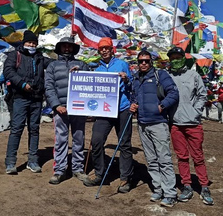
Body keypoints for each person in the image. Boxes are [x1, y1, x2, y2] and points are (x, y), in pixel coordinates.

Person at [83, 37, 134, 193]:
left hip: (122, 109)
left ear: (112, 50)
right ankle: (100, 173)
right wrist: (76, 74)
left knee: (124, 144)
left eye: (106, 48)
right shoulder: (97, 69)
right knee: (96, 140)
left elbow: (132, 84)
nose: (104, 50)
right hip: (104, 112)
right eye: (101, 49)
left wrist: (126, 79)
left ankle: (125, 178)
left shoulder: (122, 64)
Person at [129, 50, 179, 208]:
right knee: (151, 160)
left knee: (164, 158)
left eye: (146, 61)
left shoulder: (160, 75)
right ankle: (158, 189)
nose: (143, 63)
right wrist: (133, 105)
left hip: (158, 122)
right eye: (141, 61)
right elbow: (134, 96)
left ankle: (170, 193)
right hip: (142, 124)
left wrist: (162, 106)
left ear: (151, 62)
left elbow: (173, 92)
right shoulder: (136, 78)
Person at [166, 47, 214, 205]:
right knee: (182, 157)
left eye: (178, 57)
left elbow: (202, 94)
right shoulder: (167, 76)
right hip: (175, 124)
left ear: (183, 58)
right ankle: (186, 185)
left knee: (198, 156)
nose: (175, 60)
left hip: (193, 123)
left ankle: (204, 186)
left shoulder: (194, 75)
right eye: (172, 58)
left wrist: (196, 111)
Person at [3, 30, 52, 174]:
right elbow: (8, 72)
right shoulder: (14, 55)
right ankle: (10, 163)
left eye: (34, 43)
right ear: (24, 43)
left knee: (34, 129)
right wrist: (22, 84)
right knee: (17, 129)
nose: (32, 45)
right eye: (29, 42)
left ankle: (33, 161)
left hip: (36, 98)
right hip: (20, 97)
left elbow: (54, 64)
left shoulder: (40, 57)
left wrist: (72, 63)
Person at [44, 36, 90, 185]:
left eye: (70, 46)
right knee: (61, 140)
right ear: (60, 48)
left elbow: (91, 82)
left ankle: (77, 168)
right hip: (60, 108)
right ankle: (60, 170)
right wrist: (56, 105)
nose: (67, 48)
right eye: (64, 46)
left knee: (78, 139)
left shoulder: (82, 65)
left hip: (78, 108)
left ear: (73, 49)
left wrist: (81, 74)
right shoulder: (52, 66)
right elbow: (49, 87)